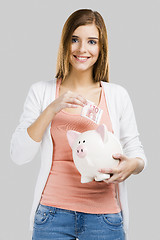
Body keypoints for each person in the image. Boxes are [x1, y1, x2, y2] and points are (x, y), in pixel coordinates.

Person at [10, 9, 147, 240]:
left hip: (104, 217)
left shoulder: (117, 95)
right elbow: (19, 154)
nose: (82, 49)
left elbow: (137, 154)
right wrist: (52, 108)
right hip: (51, 215)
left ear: (101, 48)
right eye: (75, 39)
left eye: (91, 41)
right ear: (65, 43)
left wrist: (131, 165)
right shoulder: (42, 92)